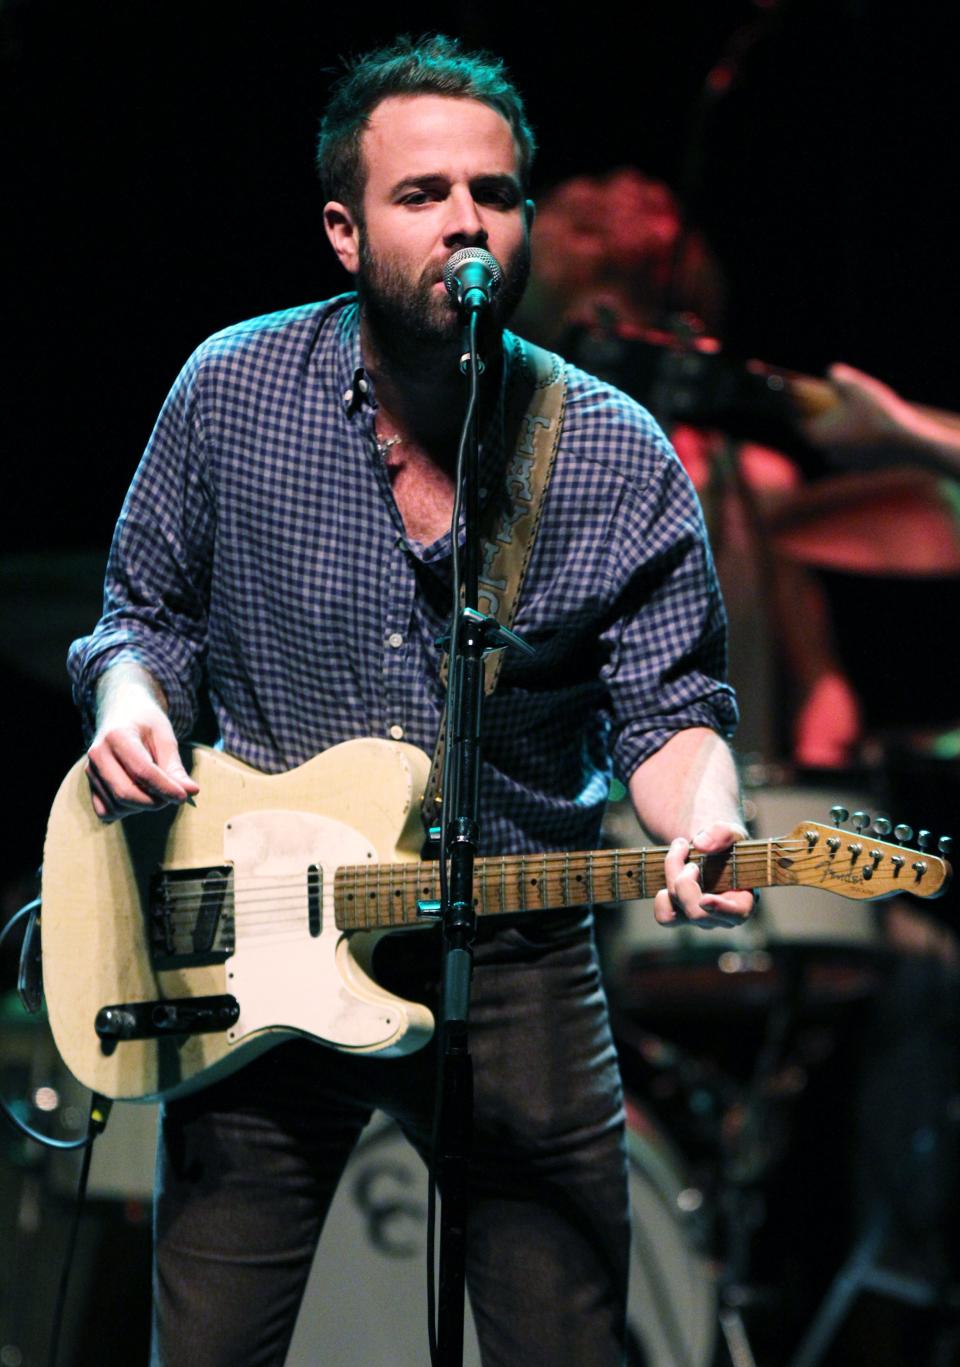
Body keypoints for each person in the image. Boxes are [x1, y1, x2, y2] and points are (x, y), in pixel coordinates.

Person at [67, 35, 753, 1367]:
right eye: (423, 194)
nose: (465, 223)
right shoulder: (229, 391)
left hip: (520, 967)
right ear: (344, 229)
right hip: (262, 943)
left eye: (493, 194)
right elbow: (136, 624)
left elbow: (670, 709)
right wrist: (129, 704)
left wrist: (703, 807)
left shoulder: (610, 451)